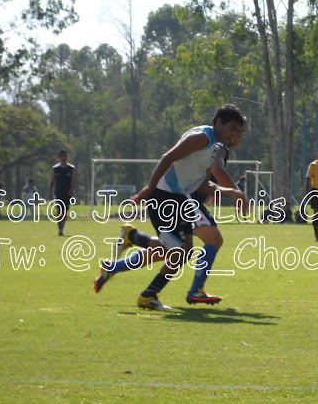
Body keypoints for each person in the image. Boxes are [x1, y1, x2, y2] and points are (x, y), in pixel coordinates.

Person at [93, 104, 247, 311]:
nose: (236, 134)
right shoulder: (203, 137)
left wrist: (232, 193)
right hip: (164, 198)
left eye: (240, 131)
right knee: (185, 249)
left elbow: (201, 183)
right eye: (233, 128)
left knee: (179, 251)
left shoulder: (212, 145)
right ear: (219, 122)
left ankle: (126, 263)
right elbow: (168, 158)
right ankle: (154, 293)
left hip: (178, 199)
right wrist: (149, 191)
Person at [49, 150, 76, 236]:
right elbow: (52, 182)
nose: (63, 158)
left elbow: (73, 182)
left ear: (67, 157)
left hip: (67, 193)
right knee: (59, 211)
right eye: (61, 156)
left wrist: (72, 190)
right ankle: (60, 229)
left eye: (64, 156)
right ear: (59, 157)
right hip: (58, 193)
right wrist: (50, 193)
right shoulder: (55, 169)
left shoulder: (71, 168)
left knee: (64, 212)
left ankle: (62, 227)